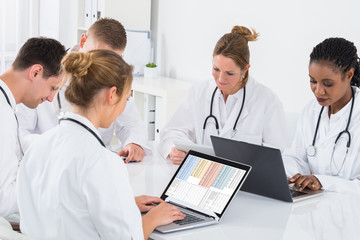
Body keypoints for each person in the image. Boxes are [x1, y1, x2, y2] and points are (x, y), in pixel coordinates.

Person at [17, 50, 185, 240]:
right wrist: (153, 218)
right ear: (112, 95)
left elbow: (65, 209)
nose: (124, 106)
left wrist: (124, 204)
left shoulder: (37, 148)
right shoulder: (103, 162)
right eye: (127, 98)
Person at [16, 18, 150, 163]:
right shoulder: (46, 69)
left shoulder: (113, 76)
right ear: (83, 40)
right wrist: (57, 146)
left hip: (96, 162)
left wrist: (134, 143)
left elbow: (131, 122)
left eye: (112, 59)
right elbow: (21, 135)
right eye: (98, 54)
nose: (102, 64)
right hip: (50, 161)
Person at [159, 26, 287, 164]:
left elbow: (278, 155)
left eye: (229, 73)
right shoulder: (199, 91)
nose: (220, 79)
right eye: (216, 69)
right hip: (202, 173)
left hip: (245, 180)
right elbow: (173, 131)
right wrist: (174, 149)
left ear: (245, 69)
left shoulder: (267, 100)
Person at [0, 37, 66, 220]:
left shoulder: (6, 105)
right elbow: (3, 201)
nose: (51, 98)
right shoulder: (3, 114)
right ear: (36, 72)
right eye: (53, 88)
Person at [284, 38, 360, 194]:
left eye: (328, 84)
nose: (318, 91)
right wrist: (284, 174)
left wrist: (322, 182)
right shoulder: (310, 111)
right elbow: (296, 158)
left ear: (349, 75)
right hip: (313, 207)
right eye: (313, 81)